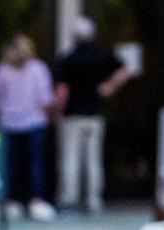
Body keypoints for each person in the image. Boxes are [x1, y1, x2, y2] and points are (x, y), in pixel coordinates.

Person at [53, 16, 133, 213]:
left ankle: (69, 199)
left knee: (70, 159)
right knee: (93, 160)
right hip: (94, 115)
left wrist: (58, 111)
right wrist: (109, 87)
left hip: (73, 115)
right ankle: (94, 200)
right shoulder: (100, 56)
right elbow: (126, 70)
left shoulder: (69, 58)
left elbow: (63, 90)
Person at [0, 34, 57, 222]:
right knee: (35, 164)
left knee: (11, 165)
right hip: (34, 123)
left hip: (8, 124)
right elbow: (45, 99)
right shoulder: (38, 69)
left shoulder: (1, 70)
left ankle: (12, 203)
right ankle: (36, 202)